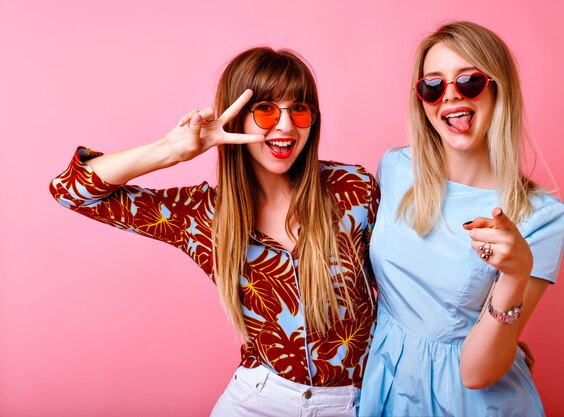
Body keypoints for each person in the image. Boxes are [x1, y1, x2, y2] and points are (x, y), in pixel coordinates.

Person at [50, 47, 379, 417]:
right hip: (258, 399)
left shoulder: (353, 189)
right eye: (266, 109)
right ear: (236, 118)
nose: (285, 126)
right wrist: (170, 151)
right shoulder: (202, 214)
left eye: (299, 109)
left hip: (355, 402)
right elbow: (70, 191)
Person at [359, 21, 564, 416]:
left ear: (498, 87)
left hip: (466, 400)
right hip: (383, 382)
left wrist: (515, 275)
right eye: (432, 86)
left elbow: (477, 373)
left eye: (470, 81)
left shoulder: (541, 217)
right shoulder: (396, 168)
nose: (450, 97)